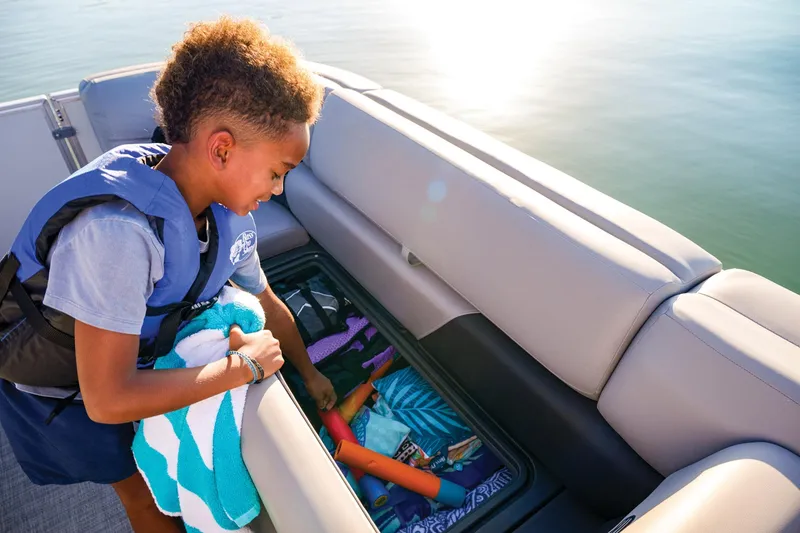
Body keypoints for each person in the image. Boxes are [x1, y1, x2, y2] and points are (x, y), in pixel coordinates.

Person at [0, 16, 336, 532]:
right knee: (143, 494)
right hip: (65, 383)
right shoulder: (115, 236)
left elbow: (265, 301)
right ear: (221, 148)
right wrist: (242, 368)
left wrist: (309, 372)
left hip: (134, 355)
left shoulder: (229, 214)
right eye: (277, 172)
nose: (277, 190)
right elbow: (108, 399)